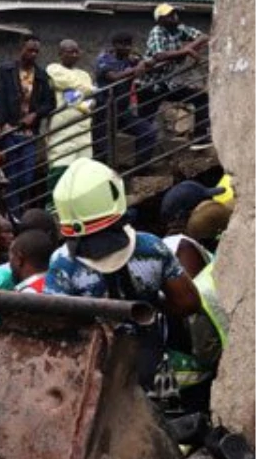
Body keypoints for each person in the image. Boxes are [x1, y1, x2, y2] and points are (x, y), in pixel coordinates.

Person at [46, 158, 201, 390]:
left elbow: (54, 327)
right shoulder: (152, 248)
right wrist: (153, 306)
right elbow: (188, 302)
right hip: (152, 374)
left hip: (92, 380)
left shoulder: (63, 264)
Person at [0, 35, 57, 218]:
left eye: (36, 51)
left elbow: (50, 103)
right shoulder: (6, 71)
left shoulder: (42, 76)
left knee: (27, 176)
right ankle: (13, 215)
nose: (33, 54)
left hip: (29, 134)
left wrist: (35, 115)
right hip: (9, 131)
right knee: (11, 176)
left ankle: (20, 212)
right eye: (30, 50)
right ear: (21, 48)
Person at [144, 4, 211, 147]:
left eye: (174, 14)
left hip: (167, 83)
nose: (174, 17)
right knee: (145, 124)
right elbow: (159, 55)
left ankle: (200, 136)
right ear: (160, 20)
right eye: (169, 15)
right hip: (149, 85)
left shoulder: (179, 29)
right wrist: (185, 52)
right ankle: (140, 161)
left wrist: (188, 48)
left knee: (201, 97)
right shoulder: (157, 31)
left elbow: (203, 37)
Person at [94, 32, 157, 167]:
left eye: (129, 45)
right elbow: (114, 77)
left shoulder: (130, 59)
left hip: (122, 111)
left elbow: (151, 61)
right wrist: (135, 69)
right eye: (124, 45)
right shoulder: (104, 59)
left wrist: (142, 62)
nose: (127, 48)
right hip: (103, 111)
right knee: (102, 151)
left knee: (148, 132)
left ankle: (140, 169)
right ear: (115, 45)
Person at [46, 40, 95, 182]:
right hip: (62, 128)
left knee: (83, 172)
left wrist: (84, 92)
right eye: (70, 52)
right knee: (60, 167)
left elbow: (91, 98)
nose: (74, 55)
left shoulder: (84, 74)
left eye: (77, 52)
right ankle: (54, 204)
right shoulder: (53, 69)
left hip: (83, 129)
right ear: (60, 54)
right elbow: (68, 83)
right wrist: (87, 90)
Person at [161, 180, 224, 278]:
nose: (212, 205)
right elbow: (199, 288)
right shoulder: (183, 246)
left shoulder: (170, 243)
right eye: (207, 203)